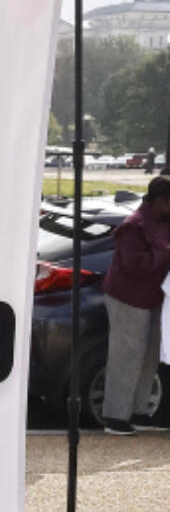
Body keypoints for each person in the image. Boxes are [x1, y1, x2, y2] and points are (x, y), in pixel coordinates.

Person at [102, 175, 170, 435]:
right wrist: (165, 251)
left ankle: (140, 412)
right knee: (126, 356)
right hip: (127, 298)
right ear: (161, 201)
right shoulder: (134, 226)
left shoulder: (162, 221)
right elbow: (135, 265)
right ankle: (115, 417)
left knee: (149, 355)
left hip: (153, 298)